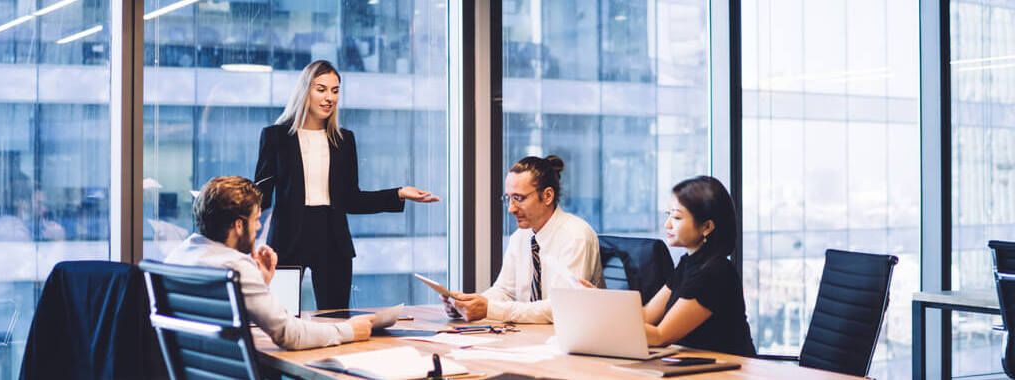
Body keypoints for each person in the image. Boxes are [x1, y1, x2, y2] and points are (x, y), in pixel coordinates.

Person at [254, 59, 440, 310]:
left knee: (335, 319)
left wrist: (399, 193)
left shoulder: (344, 140)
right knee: (282, 317)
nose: (329, 97)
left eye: (335, 90)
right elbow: (262, 195)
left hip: (332, 239)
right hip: (287, 241)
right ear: (305, 91)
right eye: (321, 89)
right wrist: (226, 201)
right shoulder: (275, 137)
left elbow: (352, 199)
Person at [163, 176, 376, 350]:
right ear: (238, 225)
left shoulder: (176, 257)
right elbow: (290, 335)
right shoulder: (235, 267)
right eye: (256, 219)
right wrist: (348, 330)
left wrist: (262, 282)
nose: (258, 228)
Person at [441, 156, 603, 323]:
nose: (511, 209)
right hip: (530, 337)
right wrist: (468, 305)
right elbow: (505, 292)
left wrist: (489, 309)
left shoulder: (576, 236)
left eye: (519, 198)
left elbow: (561, 307)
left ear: (547, 196)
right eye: (508, 199)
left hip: (571, 340)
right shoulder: (520, 236)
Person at [640, 175, 755, 356]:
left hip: (729, 372)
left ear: (707, 227)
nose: (667, 224)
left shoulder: (715, 273)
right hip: (697, 366)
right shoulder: (689, 262)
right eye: (668, 215)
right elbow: (646, 315)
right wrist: (601, 304)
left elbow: (660, 336)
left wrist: (607, 320)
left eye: (676, 217)